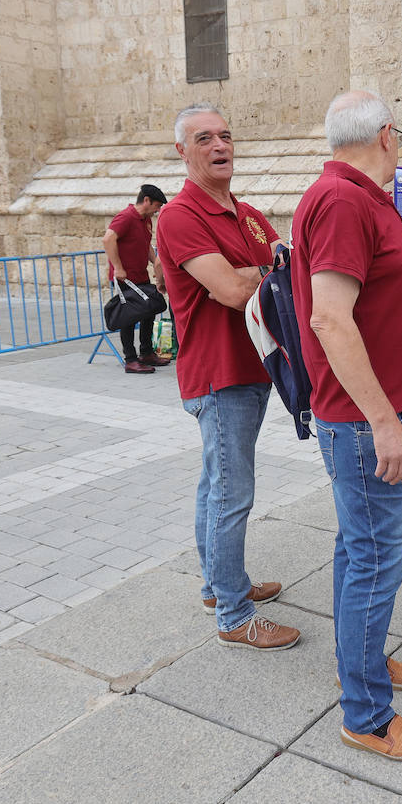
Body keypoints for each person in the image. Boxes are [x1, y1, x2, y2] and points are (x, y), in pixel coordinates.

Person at [292, 91, 402, 762]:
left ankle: (363, 665)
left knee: (361, 550)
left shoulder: (354, 196)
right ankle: (367, 714)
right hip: (364, 422)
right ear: (387, 135)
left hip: (372, 414)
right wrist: (386, 421)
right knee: (377, 556)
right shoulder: (346, 201)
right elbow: (330, 317)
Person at [156, 103, 298, 650]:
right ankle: (235, 617)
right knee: (231, 493)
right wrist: (261, 272)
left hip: (252, 367)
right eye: (205, 138)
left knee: (214, 484)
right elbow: (237, 291)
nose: (220, 146)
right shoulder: (180, 216)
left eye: (226, 136)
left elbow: (287, 266)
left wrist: (258, 270)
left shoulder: (248, 213)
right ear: (183, 150)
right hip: (218, 375)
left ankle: (220, 585)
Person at [103, 184, 169, 374]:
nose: (158, 211)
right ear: (146, 200)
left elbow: (146, 244)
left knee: (148, 314)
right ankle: (130, 360)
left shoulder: (145, 220)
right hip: (125, 279)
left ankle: (146, 353)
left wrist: (155, 261)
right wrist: (118, 268)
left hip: (140, 277)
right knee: (128, 319)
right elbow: (108, 239)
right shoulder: (126, 217)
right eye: (157, 206)